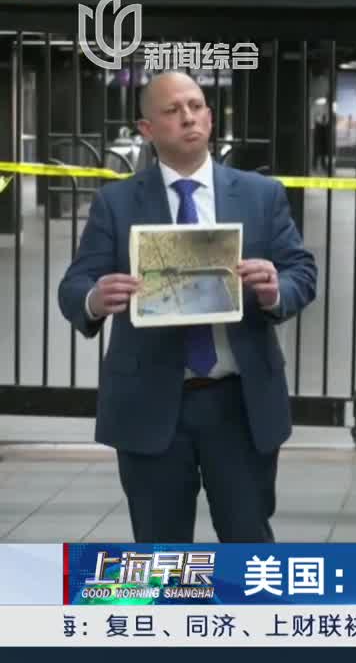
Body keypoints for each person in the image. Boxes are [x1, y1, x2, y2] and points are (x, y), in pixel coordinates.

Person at [57, 71, 317, 543]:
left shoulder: (260, 194)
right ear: (147, 129)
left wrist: (275, 289)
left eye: (196, 106)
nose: (189, 117)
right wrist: (95, 298)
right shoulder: (116, 202)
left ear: (211, 118)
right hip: (150, 402)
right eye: (173, 110)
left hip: (240, 402)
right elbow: (74, 286)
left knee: (247, 541)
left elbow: (302, 271)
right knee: (162, 551)